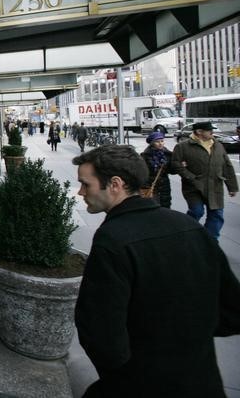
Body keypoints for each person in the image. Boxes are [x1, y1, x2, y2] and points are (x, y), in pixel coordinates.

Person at [72, 145, 240, 396]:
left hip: (140, 383)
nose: (81, 192)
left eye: (86, 184)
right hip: (204, 383)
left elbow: (100, 333)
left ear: (115, 184)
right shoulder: (188, 225)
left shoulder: (113, 240)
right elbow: (232, 312)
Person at [171, 121, 238, 240]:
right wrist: (190, 177)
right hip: (194, 187)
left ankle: (210, 241)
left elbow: (227, 166)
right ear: (199, 132)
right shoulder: (183, 146)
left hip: (215, 186)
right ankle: (186, 234)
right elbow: (176, 164)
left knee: (216, 215)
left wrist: (232, 187)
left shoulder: (217, 145)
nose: (213, 132)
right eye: (209, 130)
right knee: (197, 212)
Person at [140, 131, 173, 208]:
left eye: (162, 141)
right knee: (153, 206)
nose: (161, 143)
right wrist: (145, 185)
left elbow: (172, 171)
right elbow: (142, 172)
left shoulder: (167, 154)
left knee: (166, 204)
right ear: (152, 143)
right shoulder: (145, 156)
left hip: (164, 184)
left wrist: (180, 165)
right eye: (157, 142)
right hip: (150, 184)